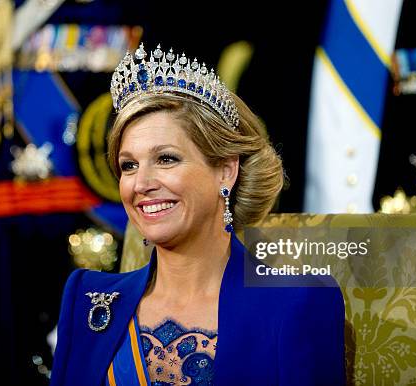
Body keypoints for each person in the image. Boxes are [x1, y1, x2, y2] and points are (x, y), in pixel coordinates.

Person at [50, 43, 346, 386]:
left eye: (166, 159)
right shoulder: (86, 299)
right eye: (129, 165)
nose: (141, 184)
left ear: (225, 171)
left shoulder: (297, 302)